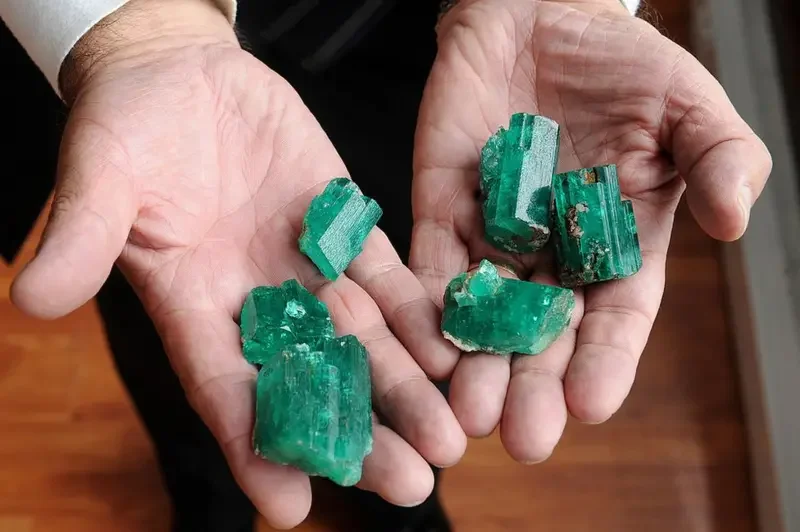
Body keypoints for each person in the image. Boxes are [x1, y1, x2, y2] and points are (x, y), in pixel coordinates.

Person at [0, 0, 772, 531]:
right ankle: (207, 501)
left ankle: (390, 503)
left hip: (429, 55)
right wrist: (132, 31)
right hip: (167, 80)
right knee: (175, 305)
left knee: (406, 308)